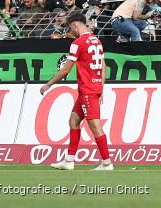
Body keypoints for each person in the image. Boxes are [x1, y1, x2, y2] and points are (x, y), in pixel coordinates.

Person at [39, 11, 113, 171]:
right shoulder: (96, 40)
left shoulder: (78, 43)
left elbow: (65, 70)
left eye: (70, 29)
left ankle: (107, 163)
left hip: (87, 90)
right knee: (73, 121)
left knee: (95, 127)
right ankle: (69, 160)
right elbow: (104, 66)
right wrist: (101, 89)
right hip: (92, 89)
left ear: (74, 25)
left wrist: (48, 84)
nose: (70, 32)